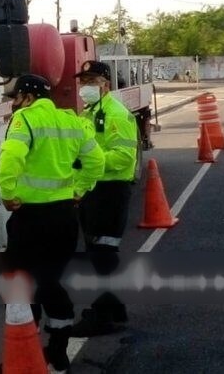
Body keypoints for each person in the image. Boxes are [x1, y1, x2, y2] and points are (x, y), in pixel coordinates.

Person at [0, 74, 105, 373]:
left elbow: (10, 159)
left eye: (15, 97)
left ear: (28, 97)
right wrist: (80, 189)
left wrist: (7, 193)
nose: (14, 104)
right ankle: (58, 351)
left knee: (20, 284)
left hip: (30, 218)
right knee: (50, 280)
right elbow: (96, 160)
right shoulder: (72, 121)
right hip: (64, 218)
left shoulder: (25, 120)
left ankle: (23, 355)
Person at [70, 60, 139, 337]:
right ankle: (113, 307)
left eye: (92, 81)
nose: (85, 87)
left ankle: (101, 316)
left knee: (102, 254)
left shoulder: (116, 114)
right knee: (97, 253)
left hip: (110, 192)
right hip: (94, 191)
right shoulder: (90, 112)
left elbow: (124, 157)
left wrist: (89, 162)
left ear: (106, 85)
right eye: (83, 81)